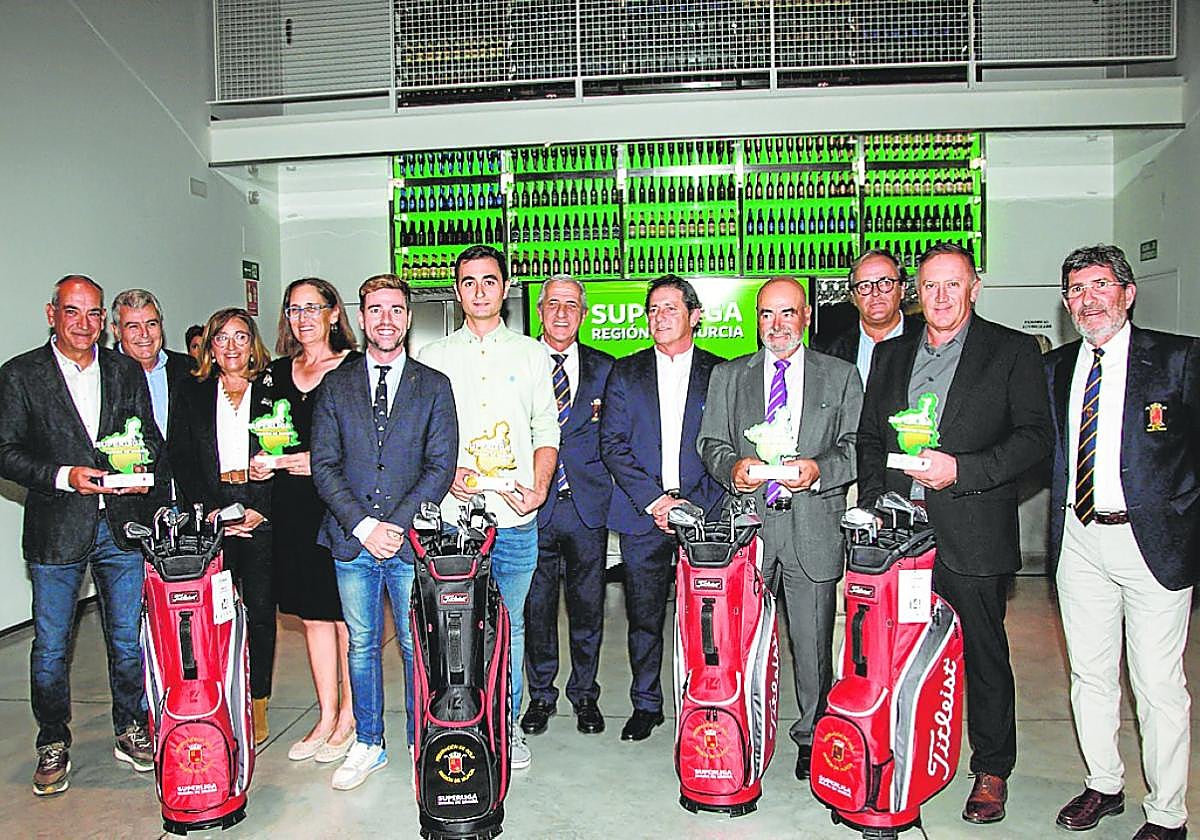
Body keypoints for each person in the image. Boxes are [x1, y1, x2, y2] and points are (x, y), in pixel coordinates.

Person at [857, 242, 1052, 825]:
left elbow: (1035, 437)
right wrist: (876, 504)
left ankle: (992, 768)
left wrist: (962, 470)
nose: (940, 297)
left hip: (972, 530)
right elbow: (870, 439)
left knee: (983, 654)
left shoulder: (1012, 351)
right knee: (896, 655)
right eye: (930, 286)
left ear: (974, 287)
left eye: (953, 284)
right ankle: (899, 758)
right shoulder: (892, 355)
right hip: (900, 535)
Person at [1045, 244, 1198, 840]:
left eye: (1100, 285)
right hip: (1080, 540)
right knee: (1089, 674)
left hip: (1153, 542)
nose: (1089, 300)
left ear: (1128, 293)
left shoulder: (1179, 359)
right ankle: (1104, 784)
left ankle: (1167, 814)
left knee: (1158, 685)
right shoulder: (1056, 368)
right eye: (1077, 291)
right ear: (1065, 304)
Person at [0, 275, 165, 795]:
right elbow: (5, 451)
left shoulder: (123, 370)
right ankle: (52, 740)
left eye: (94, 314)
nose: (85, 324)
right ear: (52, 314)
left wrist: (142, 463)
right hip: (57, 528)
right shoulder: (21, 375)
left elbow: (150, 438)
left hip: (120, 525)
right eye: (74, 312)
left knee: (125, 638)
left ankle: (130, 726)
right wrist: (62, 475)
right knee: (50, 645)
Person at [698, 276, 861, 780]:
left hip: (812, 528)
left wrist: (819, 470)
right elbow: (710, 443)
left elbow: (855, 445)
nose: (777, 325)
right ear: (757, 320)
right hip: (749, 529)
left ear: (807, 315)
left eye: (788, 313)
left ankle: (813, 734)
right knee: (739, 642)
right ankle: (739, 726)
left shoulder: (841, 375)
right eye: (767, 314)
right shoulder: (729, 376)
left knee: (812, 645)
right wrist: (732, 469)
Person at [416, 244, 559, 770]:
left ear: (506, 287)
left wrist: (540, 488)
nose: (479, 290)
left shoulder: (531, 354)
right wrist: (444, 475)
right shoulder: (431, 358)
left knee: (511, 626)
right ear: (458, 290)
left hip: (515, 519)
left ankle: (507, 727)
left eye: (489, 280)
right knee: (452, 628)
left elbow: (546, 429)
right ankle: (454, 722)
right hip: (452, 525)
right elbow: (423, 437)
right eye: (469, 281)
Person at [600, 274, 726, 743]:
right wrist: (657, 502)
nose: (660, 317)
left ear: (695, 316)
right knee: (644, 616)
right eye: (653, 309)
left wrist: (689, 505)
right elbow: (612, 444)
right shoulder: (625, 372)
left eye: (670, 308)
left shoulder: (723, 372)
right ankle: (646, 703)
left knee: (706, 619)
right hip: (642, 514)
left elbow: (728, 445)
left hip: (706, 514)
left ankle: (706, 702)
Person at [169, 308, 277, 745]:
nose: (231, 347)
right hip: (213, 520)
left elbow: (287, 453)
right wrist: (211, 513)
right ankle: (221, 694)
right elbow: (182, 459)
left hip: (261, 518)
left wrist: (260, 509)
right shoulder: (192, 393)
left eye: (241, 337)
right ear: (209, 347)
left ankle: (258, 702)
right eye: (222, 339)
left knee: (261, 610)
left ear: (253, 345)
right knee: (216, 615)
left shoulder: (273, 392)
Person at [267, 278, 363, 765]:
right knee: (311, 616)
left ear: (333, 313)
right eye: (293, 309)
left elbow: (368, 443)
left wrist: (318, 461)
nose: (302, 317)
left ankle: (350, 715)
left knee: (346, 616)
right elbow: (257, 435)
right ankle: (326, 715)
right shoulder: (275, 373)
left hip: (338, 506)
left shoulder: (354, 369)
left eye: (312, 307)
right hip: (290, 507)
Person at [520, 275, 615, 738]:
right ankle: (540, 695)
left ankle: (584, 695)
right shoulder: (517, 362)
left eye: (571, 305)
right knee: (536, 608)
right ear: (539, 309)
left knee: (587, 607)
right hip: (530, 505)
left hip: (586, 507)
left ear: (584, 313)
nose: (561, 313)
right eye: (553, 304)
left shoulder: (606, 367)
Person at [815, 248, 924, 385]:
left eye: (885, 283)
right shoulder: (827, 349)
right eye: (865, 286)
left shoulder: (927, 340)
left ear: (902, 290)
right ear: (853, 297)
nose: (875, 293)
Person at [112, 289, 194, 442]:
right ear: (116, 331)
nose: (144, 334)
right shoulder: (103, 375)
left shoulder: (189, 369)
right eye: (133, 326)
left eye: (151, 324)